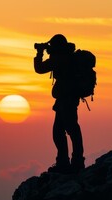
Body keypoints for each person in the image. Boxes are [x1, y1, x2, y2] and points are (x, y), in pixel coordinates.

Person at [34, 34, 85, 174]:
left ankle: (68, 163)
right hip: (67, 99)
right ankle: (73, 161)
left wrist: (39, 53)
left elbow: (39, 69)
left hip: (65, 100)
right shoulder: (68, 56)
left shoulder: (59, 58)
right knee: (70, 130)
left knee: (62, 131)